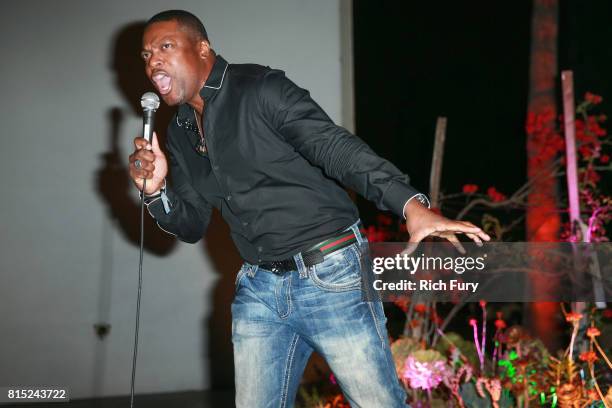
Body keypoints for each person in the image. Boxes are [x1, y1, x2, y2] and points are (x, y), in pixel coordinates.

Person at [128, 10, 490, 407]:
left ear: (202, 48)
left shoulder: (260, 87)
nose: (153, 61)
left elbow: (333, 147)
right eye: (146, 55)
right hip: (259, 288)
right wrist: (157, 190)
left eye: (165, 47)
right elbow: (192, 223)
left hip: (330, 273)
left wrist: (410, 205)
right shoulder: (179, 135)